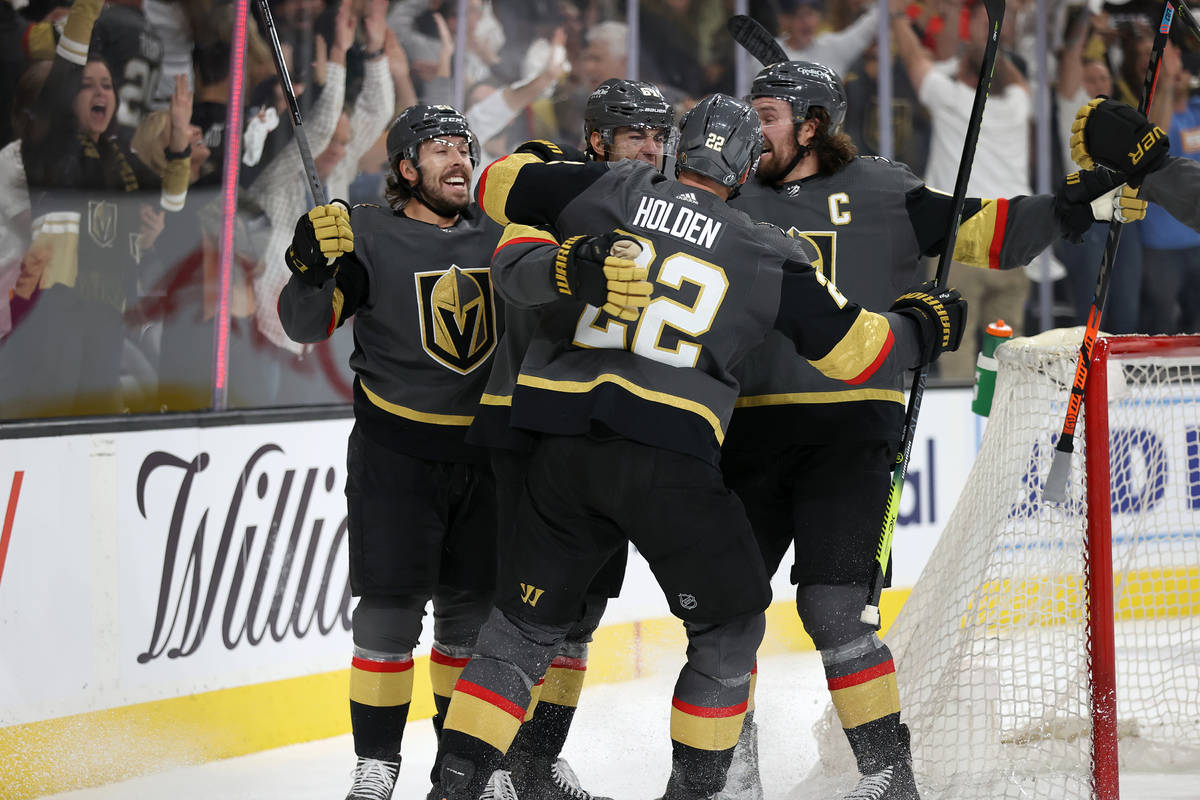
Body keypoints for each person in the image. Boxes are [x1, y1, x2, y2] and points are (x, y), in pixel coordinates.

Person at [429, 92, 966, 800]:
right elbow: (856, 355)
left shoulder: (610, 187)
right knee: (732, 625)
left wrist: (555, 201)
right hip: (668, 455)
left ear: (678, 150)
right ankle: (696, 790)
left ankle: (454, 785)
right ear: (744, 169)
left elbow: (498, 185)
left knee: (520, 633)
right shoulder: (761, 247)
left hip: (559, 452)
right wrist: (924, 325)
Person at [717, 60, 1145, 800]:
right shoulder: (723, 194)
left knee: (833, 609)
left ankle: (888, 774)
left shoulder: (883, 190)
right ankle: (728, 768)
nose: (752, 129)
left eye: (769, 115)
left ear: (813, 124)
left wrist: (1080, 204)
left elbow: (995, 233)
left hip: (850, 432)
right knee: (726, 610)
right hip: (742, 430)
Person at [277, 103, 506, 800]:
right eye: (439, 149)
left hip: (486, 456)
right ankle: (376, 766)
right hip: (394, 456)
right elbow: (303, 324)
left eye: (464, 146)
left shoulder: (502, 236)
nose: (459, 158)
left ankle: (465, 768)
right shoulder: (366, 236)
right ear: (406, 169)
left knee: (470, 623)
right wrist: (311, 267)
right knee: (388, 615)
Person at [463, 77, 676, 800]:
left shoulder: (667, 209)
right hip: (525, 415)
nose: (650, 149)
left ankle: (535, 760)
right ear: (596, 140)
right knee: (519, 607)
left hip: (608, 427)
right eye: (633, 135)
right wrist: (572, 267)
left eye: (658, 137)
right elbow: (513, 271)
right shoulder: (550, 187)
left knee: (581, 613)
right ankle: (486, 763)